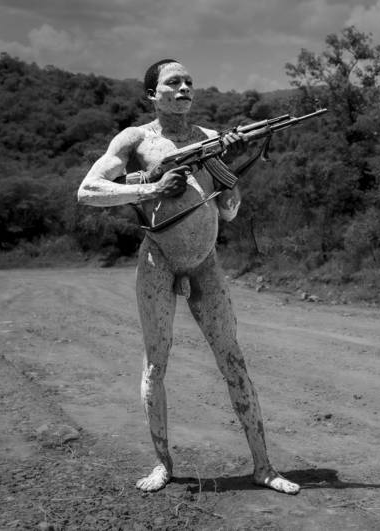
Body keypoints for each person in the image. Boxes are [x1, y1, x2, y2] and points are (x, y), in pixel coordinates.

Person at [77, 59, 300, 495]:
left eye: (189, 82)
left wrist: (229, 168)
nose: (184, 88)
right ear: (152, 94)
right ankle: (163, 464)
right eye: (173, 82)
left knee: (233, 359)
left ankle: (263, 467)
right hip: (158, 260)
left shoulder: (211, 138)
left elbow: (229, 212)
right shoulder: (135, 139)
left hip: (205, 263)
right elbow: (88, 191)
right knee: (156, 364)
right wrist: (152, 187)